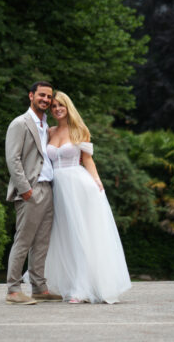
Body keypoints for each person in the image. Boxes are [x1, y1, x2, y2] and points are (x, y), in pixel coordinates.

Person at [44, 91, 131, 303]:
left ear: (68, 107)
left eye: (60, 105)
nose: (57, 109)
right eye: (53, 106)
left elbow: (88, 160)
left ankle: (81, 289)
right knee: (61, 235)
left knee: (79, 235)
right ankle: (64, 283)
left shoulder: (79, 130)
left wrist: (97, 182)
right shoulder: (49, 131)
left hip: (77, 185)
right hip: (55, 187)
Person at [4, 81, 64, 305]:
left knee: (42, 242)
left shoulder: (45, 125)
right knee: (23, 240)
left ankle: (39, 287)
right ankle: (12, 290)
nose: (46, 100)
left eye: (49, 97)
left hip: (48, 189)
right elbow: (13, 159)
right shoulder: (20, 123)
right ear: (31, 96)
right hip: (31, 190)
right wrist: (25, 189)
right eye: (42, 95)